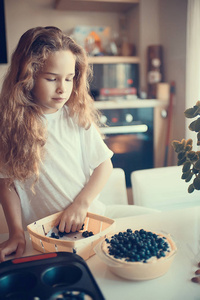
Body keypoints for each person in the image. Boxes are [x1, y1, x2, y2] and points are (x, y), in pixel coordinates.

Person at [0, 26, 114, 261]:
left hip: (88, 224)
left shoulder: (76, 117)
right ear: (27, 76)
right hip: (44, 237)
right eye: (52, 79)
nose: (63, 88)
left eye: (70, 79)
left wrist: (80, 205)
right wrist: (15, 232)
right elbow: (6, 183)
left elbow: (104, 165)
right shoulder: (9, 127)